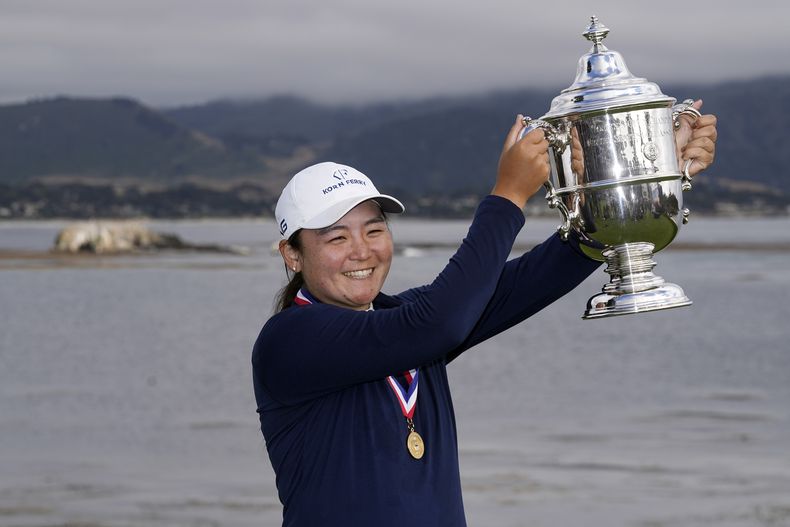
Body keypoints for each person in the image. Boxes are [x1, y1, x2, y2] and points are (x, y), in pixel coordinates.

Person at [252, 103, 717, 526]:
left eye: (374, 230)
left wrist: (644, 180)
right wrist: (507, 196)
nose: (362, 252)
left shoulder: (403, 318)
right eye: (336, 239)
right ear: (291, 255)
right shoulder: (290, 340)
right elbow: (441, 321)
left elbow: (533, 278)